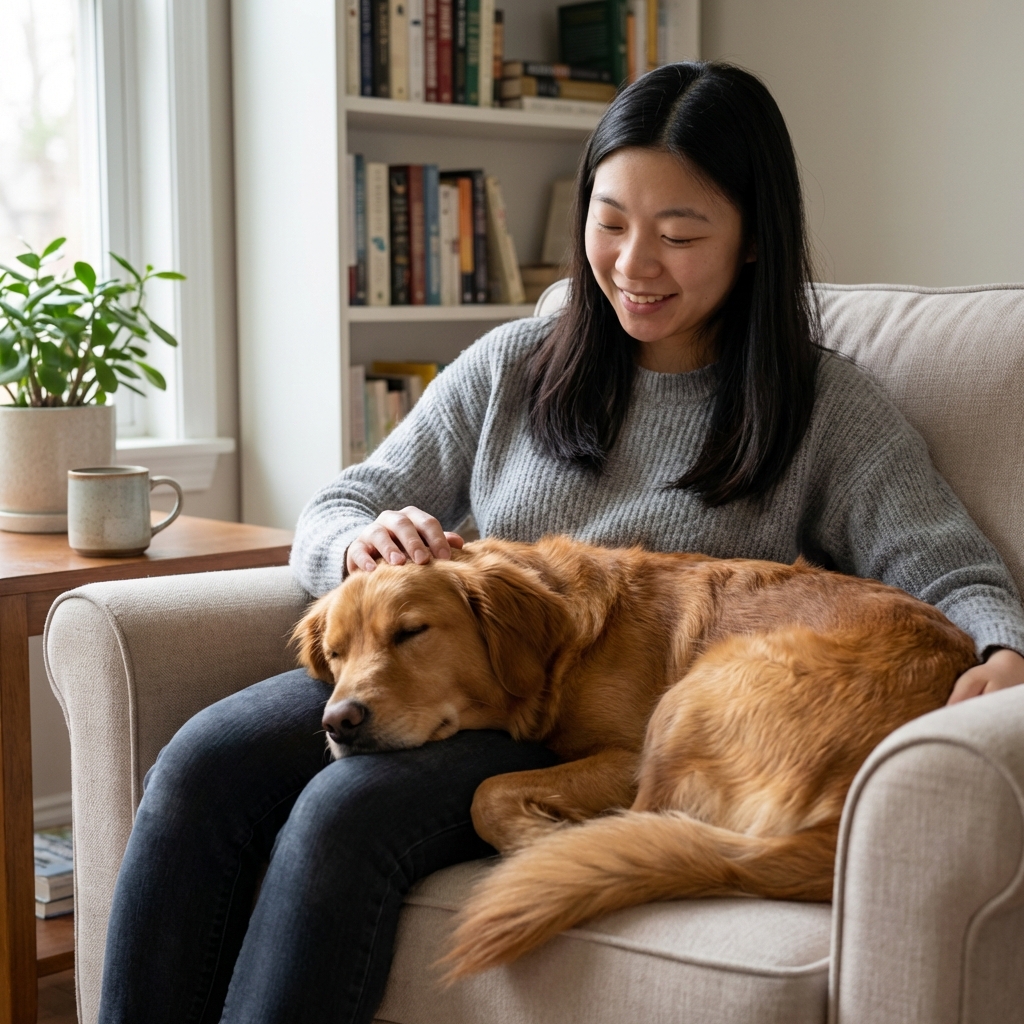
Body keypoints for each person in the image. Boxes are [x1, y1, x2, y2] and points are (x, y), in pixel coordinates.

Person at [98, 61, 1024, 1024]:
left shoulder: (827, 407)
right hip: (432, 648)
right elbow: (343, 502)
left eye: (679, 232)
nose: (633, 263)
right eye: (611, 221)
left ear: (752, 239)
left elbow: (949, 566)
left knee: (341, 817)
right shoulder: (512, 363)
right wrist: (362, 543)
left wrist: (1005, 651)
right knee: (199, 765)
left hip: (574, 719)